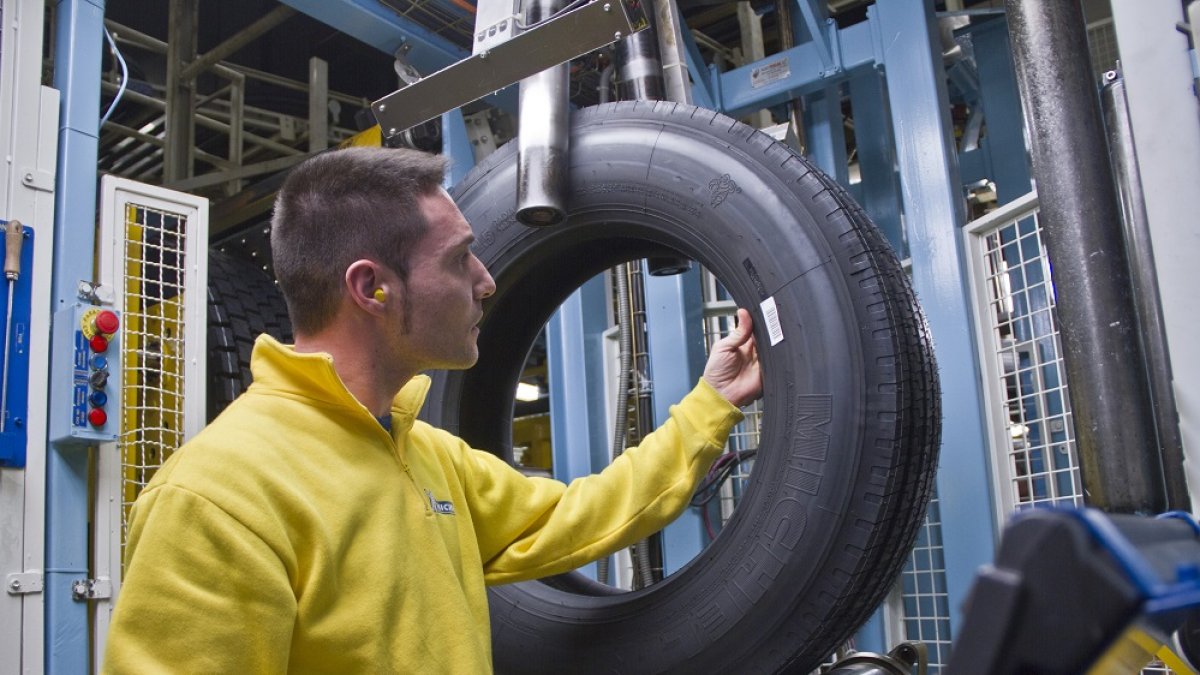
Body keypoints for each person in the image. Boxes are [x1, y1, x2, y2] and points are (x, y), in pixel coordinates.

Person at [102, 147, 762, 673]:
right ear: (372, 287)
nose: (486, 279)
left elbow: (581, 514)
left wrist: (712, 403)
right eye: (458, 258)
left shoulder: (425, 456)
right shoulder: (217, 498)